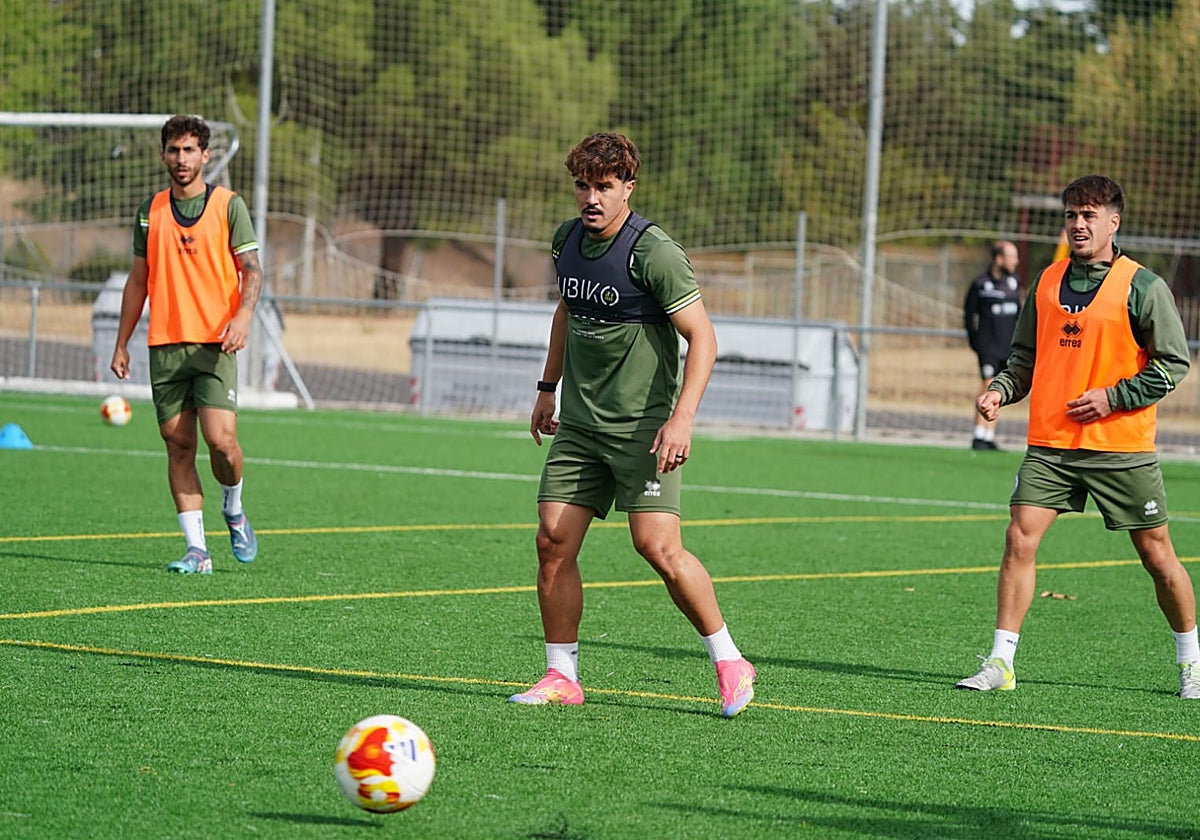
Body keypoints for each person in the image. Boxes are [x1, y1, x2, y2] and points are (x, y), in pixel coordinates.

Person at [507, 132, 756, 718]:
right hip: (580, 427)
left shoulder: (654, 253)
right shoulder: (566, 241)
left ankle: (729, 659)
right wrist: (548, 389)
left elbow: (704, 338)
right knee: (552, 541)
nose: (590, 197)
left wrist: (682, 419)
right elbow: (566, 311)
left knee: (658, 548)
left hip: (643, 430)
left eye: (604, 186)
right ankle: (561, 674)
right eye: (582, 185)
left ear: (628, 189)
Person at [956, 175, 1200, 699]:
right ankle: (1001, 661)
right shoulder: (1045, 282)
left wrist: (1112, 398)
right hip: (1051, 444)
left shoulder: (1144, 287)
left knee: (1158, 557)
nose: (1079, 225)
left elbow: (1174, 364)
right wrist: (1000, 389)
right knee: (1019, 537)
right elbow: (1024, 358)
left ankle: (1192, 661)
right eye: (1071, 215)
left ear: (1114, 222)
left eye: (1090, 215)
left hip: (1122, 447)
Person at [110, 114, 261, 574]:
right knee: (178, 448)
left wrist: (242, 317)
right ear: (163, 155)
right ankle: (198, 551)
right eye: (174, 150)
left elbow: (252, 270)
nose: (181, 159)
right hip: (165, 347)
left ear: (205, 156)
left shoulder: (229, 205)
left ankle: (233, 507)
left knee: (221, 441)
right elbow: (139, 281)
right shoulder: (148, 211)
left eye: (190, 150)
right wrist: (122, 343)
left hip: (216, 344)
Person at [963, 240, 1021, 450]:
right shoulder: (980, 284)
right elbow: (969, 317)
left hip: (1008, 348)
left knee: (1000, 389)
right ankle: (978, 435)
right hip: (988, 347)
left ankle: (989, 435)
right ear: (998, 259)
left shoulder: (1014, 283)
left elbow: (1020, 318)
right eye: (1011, 256)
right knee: (988, 384)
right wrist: (976, 342)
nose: (1016, 261)